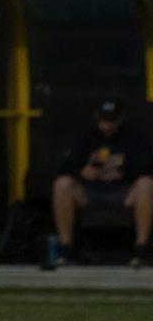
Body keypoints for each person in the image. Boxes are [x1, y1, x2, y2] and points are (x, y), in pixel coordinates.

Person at [52, 98, 153, 267]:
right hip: (90, 191)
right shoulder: (86, 138)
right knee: (62, 184)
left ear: (121, 119)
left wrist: (122, 173)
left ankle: (141, 249)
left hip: (124, 192)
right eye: (104, 120)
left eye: (112, 120)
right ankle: (65, 248)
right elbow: (65, 167)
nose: (108, 125)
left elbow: (147, 166)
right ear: (97, 118)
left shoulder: (135, 138)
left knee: (147, 184)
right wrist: (82, 172)